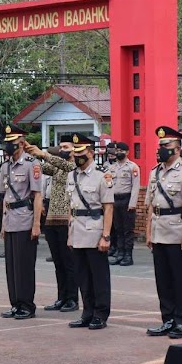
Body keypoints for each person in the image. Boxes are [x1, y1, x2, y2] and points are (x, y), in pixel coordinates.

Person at [145, 126, 182, 339]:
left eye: (166, 145)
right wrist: (149, 232)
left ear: (177, 149)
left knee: (180, 279)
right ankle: (167, 319)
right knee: (163, 280)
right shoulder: (154, 172)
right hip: (159, 231)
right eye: (160, 145)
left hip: (177, 231)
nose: (161, 149)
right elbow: (151, 205)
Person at [25, 139, 79, 313]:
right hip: (52, 218)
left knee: (69, 262)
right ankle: (61, 297)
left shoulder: (75, 166)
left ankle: (72, 298)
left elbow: (61, 164)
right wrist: (29, 152)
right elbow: (39, 167)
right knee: (58, 262)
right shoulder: (56, 166)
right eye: (61, 147)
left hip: (66, 219)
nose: (62, 150)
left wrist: (44, 154)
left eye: (66, 147)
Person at [66, 133, 114, 330]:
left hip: (95, 232)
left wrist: (106, 236)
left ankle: (100, 313)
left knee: (98, 276)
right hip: (77, 231)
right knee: (82, 276)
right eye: (75, 152)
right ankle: (87, 312)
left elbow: (108, 208)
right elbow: (71, 208)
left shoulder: (102, 176)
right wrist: (70, 235)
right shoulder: (72, 175)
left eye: (81, 152)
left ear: (91, 153)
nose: (77, 156)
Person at [0, 125, 43, 320]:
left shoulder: (31, 164)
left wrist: (36, 224)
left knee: (24, 266)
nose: (9, 146)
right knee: (11, 266)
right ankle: (15, 303)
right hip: (10, 220)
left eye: (12, 143)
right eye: (7, 142)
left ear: (22, 143)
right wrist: (2, 224)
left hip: (25, 219)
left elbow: (38, 196)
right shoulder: (5, 166)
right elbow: (5, 197)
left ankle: (27, 305)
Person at [108, 141, 141, 266]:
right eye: (117, 151)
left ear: (127, 152)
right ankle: (119, 253)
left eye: (121, 151)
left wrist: (132, 204)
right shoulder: (112, 168)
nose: (119, 153)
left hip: (127, 200)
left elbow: (135, 186)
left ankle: (128, 255)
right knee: (117, 229)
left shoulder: (133, 167)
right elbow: (109, 186)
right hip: (115, 200)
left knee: (127, 230)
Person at [102, 142, 119, 258]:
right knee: (110, 225)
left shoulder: (120, 165)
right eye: (109, 153)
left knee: (118, 226)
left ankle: (119, 248)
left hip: (118, 197)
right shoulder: (105, 165)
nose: (111, 156)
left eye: (113, 153)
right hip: (108, 197)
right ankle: (112, 246)